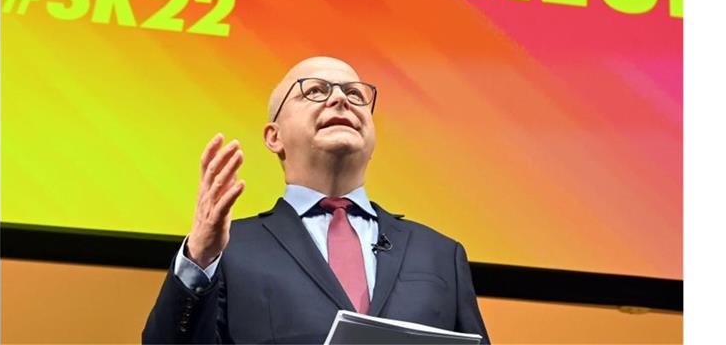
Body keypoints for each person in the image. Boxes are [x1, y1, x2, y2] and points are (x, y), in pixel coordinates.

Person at [143, 56, 490, 344]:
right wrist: (200, 258)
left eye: (355, 95)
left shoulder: (440, 254)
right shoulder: (229, 252)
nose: (340, 100)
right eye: (315, 91)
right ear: (274, 136)